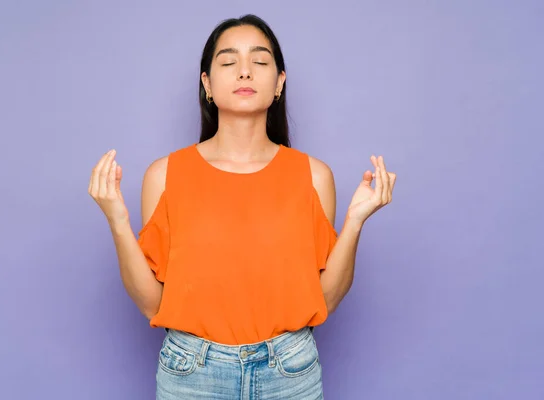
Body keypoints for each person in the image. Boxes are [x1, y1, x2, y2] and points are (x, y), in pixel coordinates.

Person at [88, 14, 396, 400]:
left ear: (279, 83)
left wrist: (354, 222)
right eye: (229, 62)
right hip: (192, 374)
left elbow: (326, 299)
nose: (245, 73)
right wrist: (118, 222)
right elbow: (153, 305)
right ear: (207, 85)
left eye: (261, 62)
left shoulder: (314, 176)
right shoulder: (165, 175)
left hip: (290, 373)